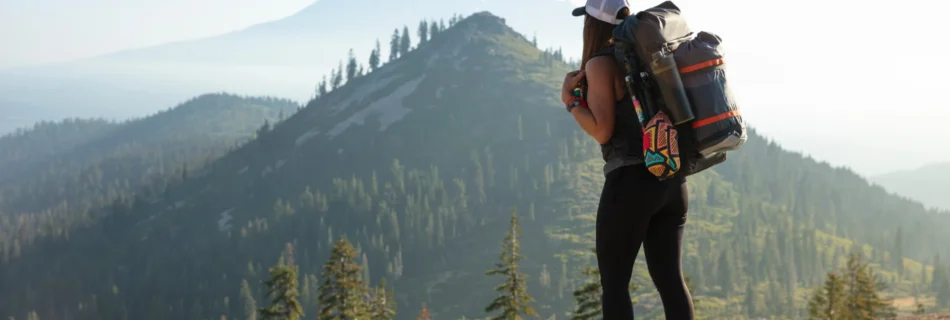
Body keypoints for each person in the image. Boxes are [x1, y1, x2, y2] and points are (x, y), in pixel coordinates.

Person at [562, 0, 695, 319]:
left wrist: (570, 102)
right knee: (670, 282)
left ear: (593, 25)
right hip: (671, 180)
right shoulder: (648, 55)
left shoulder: (600, 64)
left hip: (630, 183)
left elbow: (603, 130)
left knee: (615, 284)